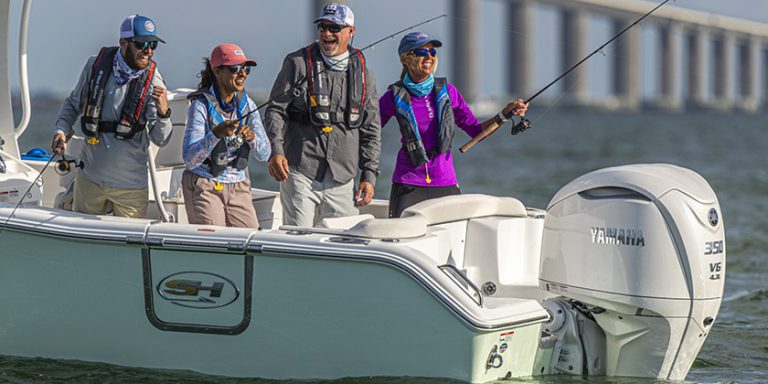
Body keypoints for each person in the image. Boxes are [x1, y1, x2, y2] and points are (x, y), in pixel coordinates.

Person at [380, 32, 528, 218]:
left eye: (433, 52)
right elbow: (369, 130)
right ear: (406, 59)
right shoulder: (392, 96)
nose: (429, 57)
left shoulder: (448, 92)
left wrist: (505, 113)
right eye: (421, 52)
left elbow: (476, 131)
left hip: (445, 182)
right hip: (408, 183)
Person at [264, 3, 381, 227]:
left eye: (334, 28)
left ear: (351, 32)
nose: (327, 34)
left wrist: (369, 175)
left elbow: (371, 128)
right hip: (300, 171)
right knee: (297, 240)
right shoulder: (296, 63)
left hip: (343, 177)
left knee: (341, 244)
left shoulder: (365, 74)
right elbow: (275, 111)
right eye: (323, 27)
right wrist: (276, 152)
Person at [50, 15, 172, 218]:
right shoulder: (95, 66)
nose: (148, 51)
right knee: (83, 243)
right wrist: (61, 131)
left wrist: (163, 112)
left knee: (127, 249)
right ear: (123, 43)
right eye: (142, 44)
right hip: (90, 178)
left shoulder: (154, 81)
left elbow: (161, 138)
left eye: (153, 45)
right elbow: (73, 104)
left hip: (130, 187)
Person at [182, 44, 271, 227]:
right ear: (217, 71)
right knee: (214, 245)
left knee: (251, 242)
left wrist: (252, 138)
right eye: (235, 69)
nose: (243, 74)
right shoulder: (200, 106)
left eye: (246, 69)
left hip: (238, 185)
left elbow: (264, 154)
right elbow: (190, 159)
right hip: (204, 184)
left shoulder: (249, 105)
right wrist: (215, 134)